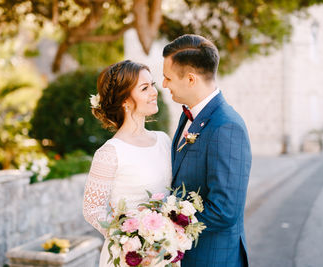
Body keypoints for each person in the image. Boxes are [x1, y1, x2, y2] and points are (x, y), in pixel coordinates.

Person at [162, 34, 252, 267]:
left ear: (190, 79)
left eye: (167, 78)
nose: (164, 84)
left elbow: (224, 210)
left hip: (212, 258)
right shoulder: (188, 115)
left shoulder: (227, 126)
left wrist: (165, 224)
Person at [82, 60, 172, 267]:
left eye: (153, 85)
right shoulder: (110, 153)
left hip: (164, 251)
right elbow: (92, 210)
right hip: (128, 256)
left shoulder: (163, 140)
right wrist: (133, 239)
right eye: (144, 88)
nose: (154, 92)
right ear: (125, 100)